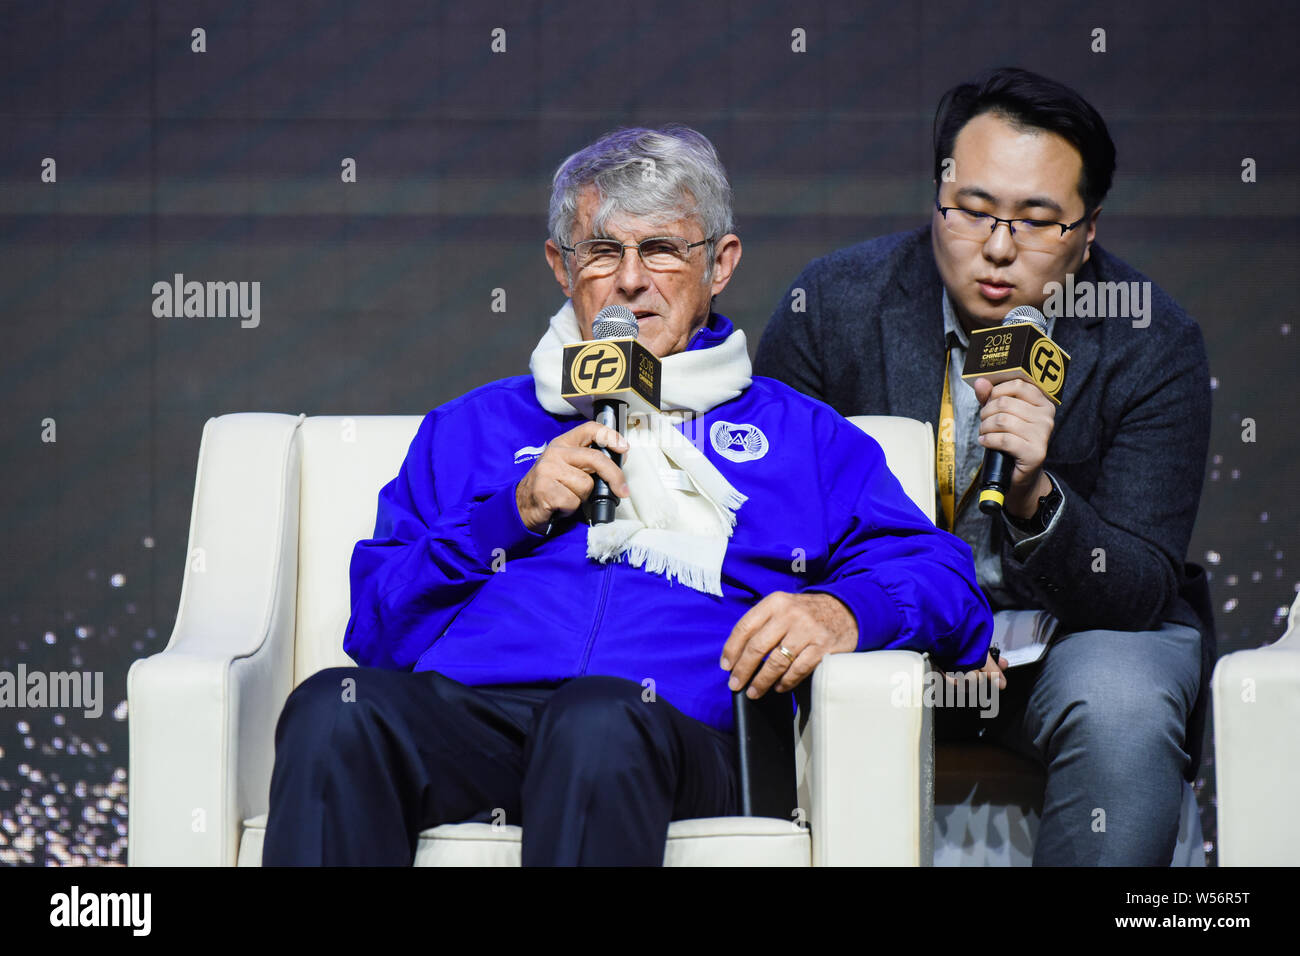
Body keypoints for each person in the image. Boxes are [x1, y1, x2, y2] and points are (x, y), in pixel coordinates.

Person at [262, 125, 993, 866]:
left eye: (664, 249)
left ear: (720, 264)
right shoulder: (474, 426)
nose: (631, 281)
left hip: (680, 732)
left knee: (599, 715)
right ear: (560, 266)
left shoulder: (800, 434)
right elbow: (378, 627)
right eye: (604, 252)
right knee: (333, 709)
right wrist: (506, 514)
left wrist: (841, 611)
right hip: (476, 725)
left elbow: (946, 580)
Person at [755, 67, 1213, 866]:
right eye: (973, 211)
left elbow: (1139, 583)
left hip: (1076, 634)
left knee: (1123, 702)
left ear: (1090, 227)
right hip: (891, 627)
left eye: (1038, 222)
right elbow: (773, 522)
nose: (998, 248)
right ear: (938, 196)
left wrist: (1036, 495)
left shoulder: (1152, 340)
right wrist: (932, 630)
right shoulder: (831, 306)